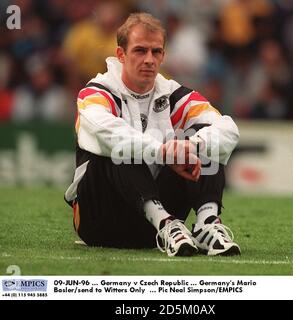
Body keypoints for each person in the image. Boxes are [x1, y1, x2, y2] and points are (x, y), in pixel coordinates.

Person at [64, 13, 241, 257]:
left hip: (153, 230)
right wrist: (164, 151)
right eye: (140, 50)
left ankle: (206, 224)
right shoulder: (96, 92)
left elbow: (228, 129)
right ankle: (165, 223)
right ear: (120, 55)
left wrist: (191, 147)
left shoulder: (174, 94)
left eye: (156, 52)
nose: (149, 59)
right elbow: (105, 133)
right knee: (119, 144)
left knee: (203, 139)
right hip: (101, 223)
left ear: (163, 56)